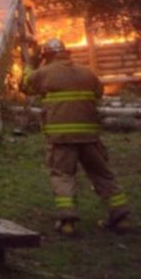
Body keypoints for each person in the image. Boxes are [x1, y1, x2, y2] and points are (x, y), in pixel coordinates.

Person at [22, 38, 130, 235]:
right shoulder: (87, 72)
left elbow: (25, 86)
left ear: (47, 56)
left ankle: (67, 222)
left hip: (61, 137)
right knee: (102, 174)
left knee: (63, 175)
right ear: (66, 53)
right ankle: (120, 216)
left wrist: (30, 65)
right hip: (90, 136)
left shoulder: (44, 73)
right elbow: (99, 93)